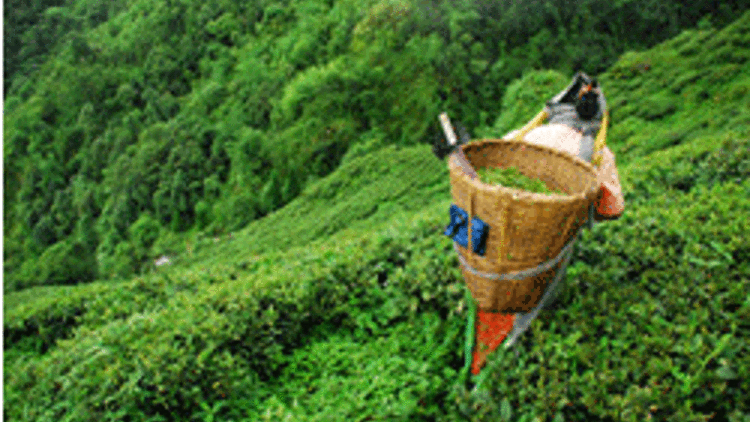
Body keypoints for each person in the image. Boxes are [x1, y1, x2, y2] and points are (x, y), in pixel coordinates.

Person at [470, 72, 626, 375]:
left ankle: (480, 352)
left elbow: (486, 175)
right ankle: (510, 361)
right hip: (547, 251)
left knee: (491, 298)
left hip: (498, 238)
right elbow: (612, 209)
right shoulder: (599, 154)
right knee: (530, 301)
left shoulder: (527, 136)